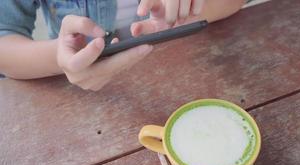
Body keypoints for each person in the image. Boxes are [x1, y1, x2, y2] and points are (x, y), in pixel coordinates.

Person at [0, 0, 245, 91]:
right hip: (79, 96)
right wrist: (59, 57)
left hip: (190, 73)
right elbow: (5, 40)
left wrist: (190, 8)